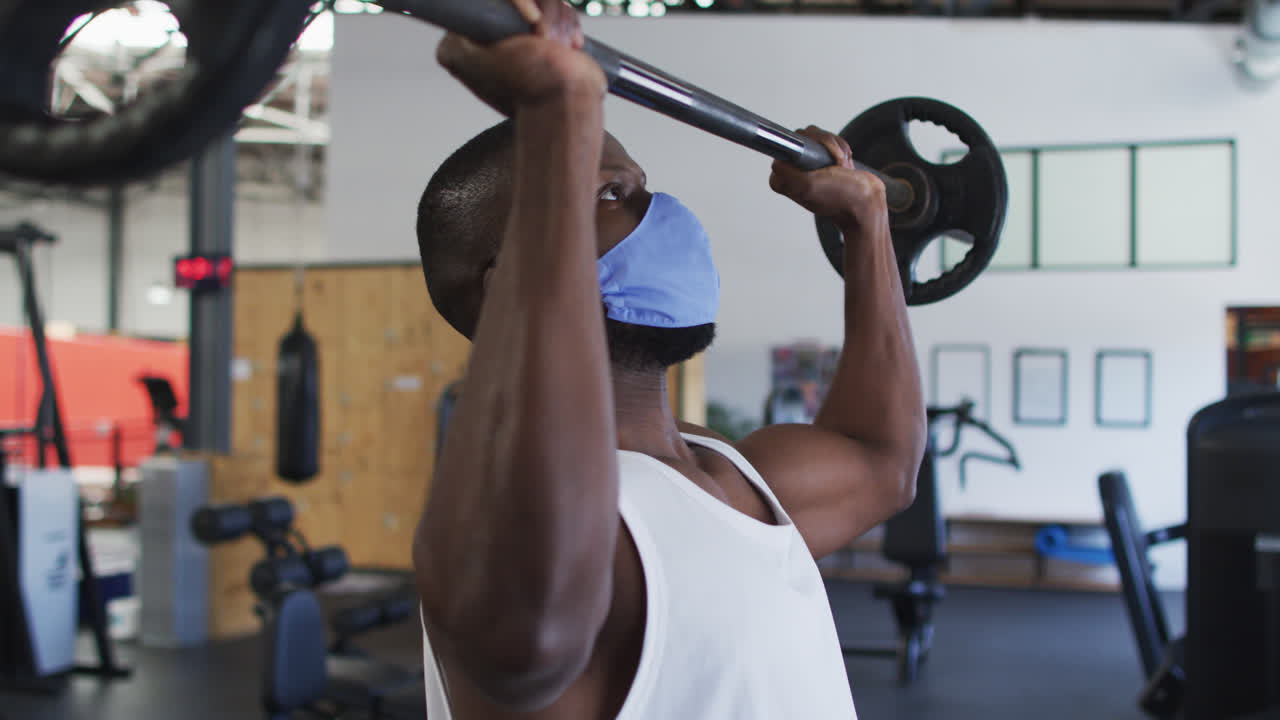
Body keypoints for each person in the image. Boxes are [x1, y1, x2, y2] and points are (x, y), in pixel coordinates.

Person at [412, 2, 926, 718]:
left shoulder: (719, 468)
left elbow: (881, 461)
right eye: (613, 193)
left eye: (642, 187)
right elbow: (525, 641)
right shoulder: (513, 523)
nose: (662, 215)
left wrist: (867, 227)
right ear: (506, 281)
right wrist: (559, 122)